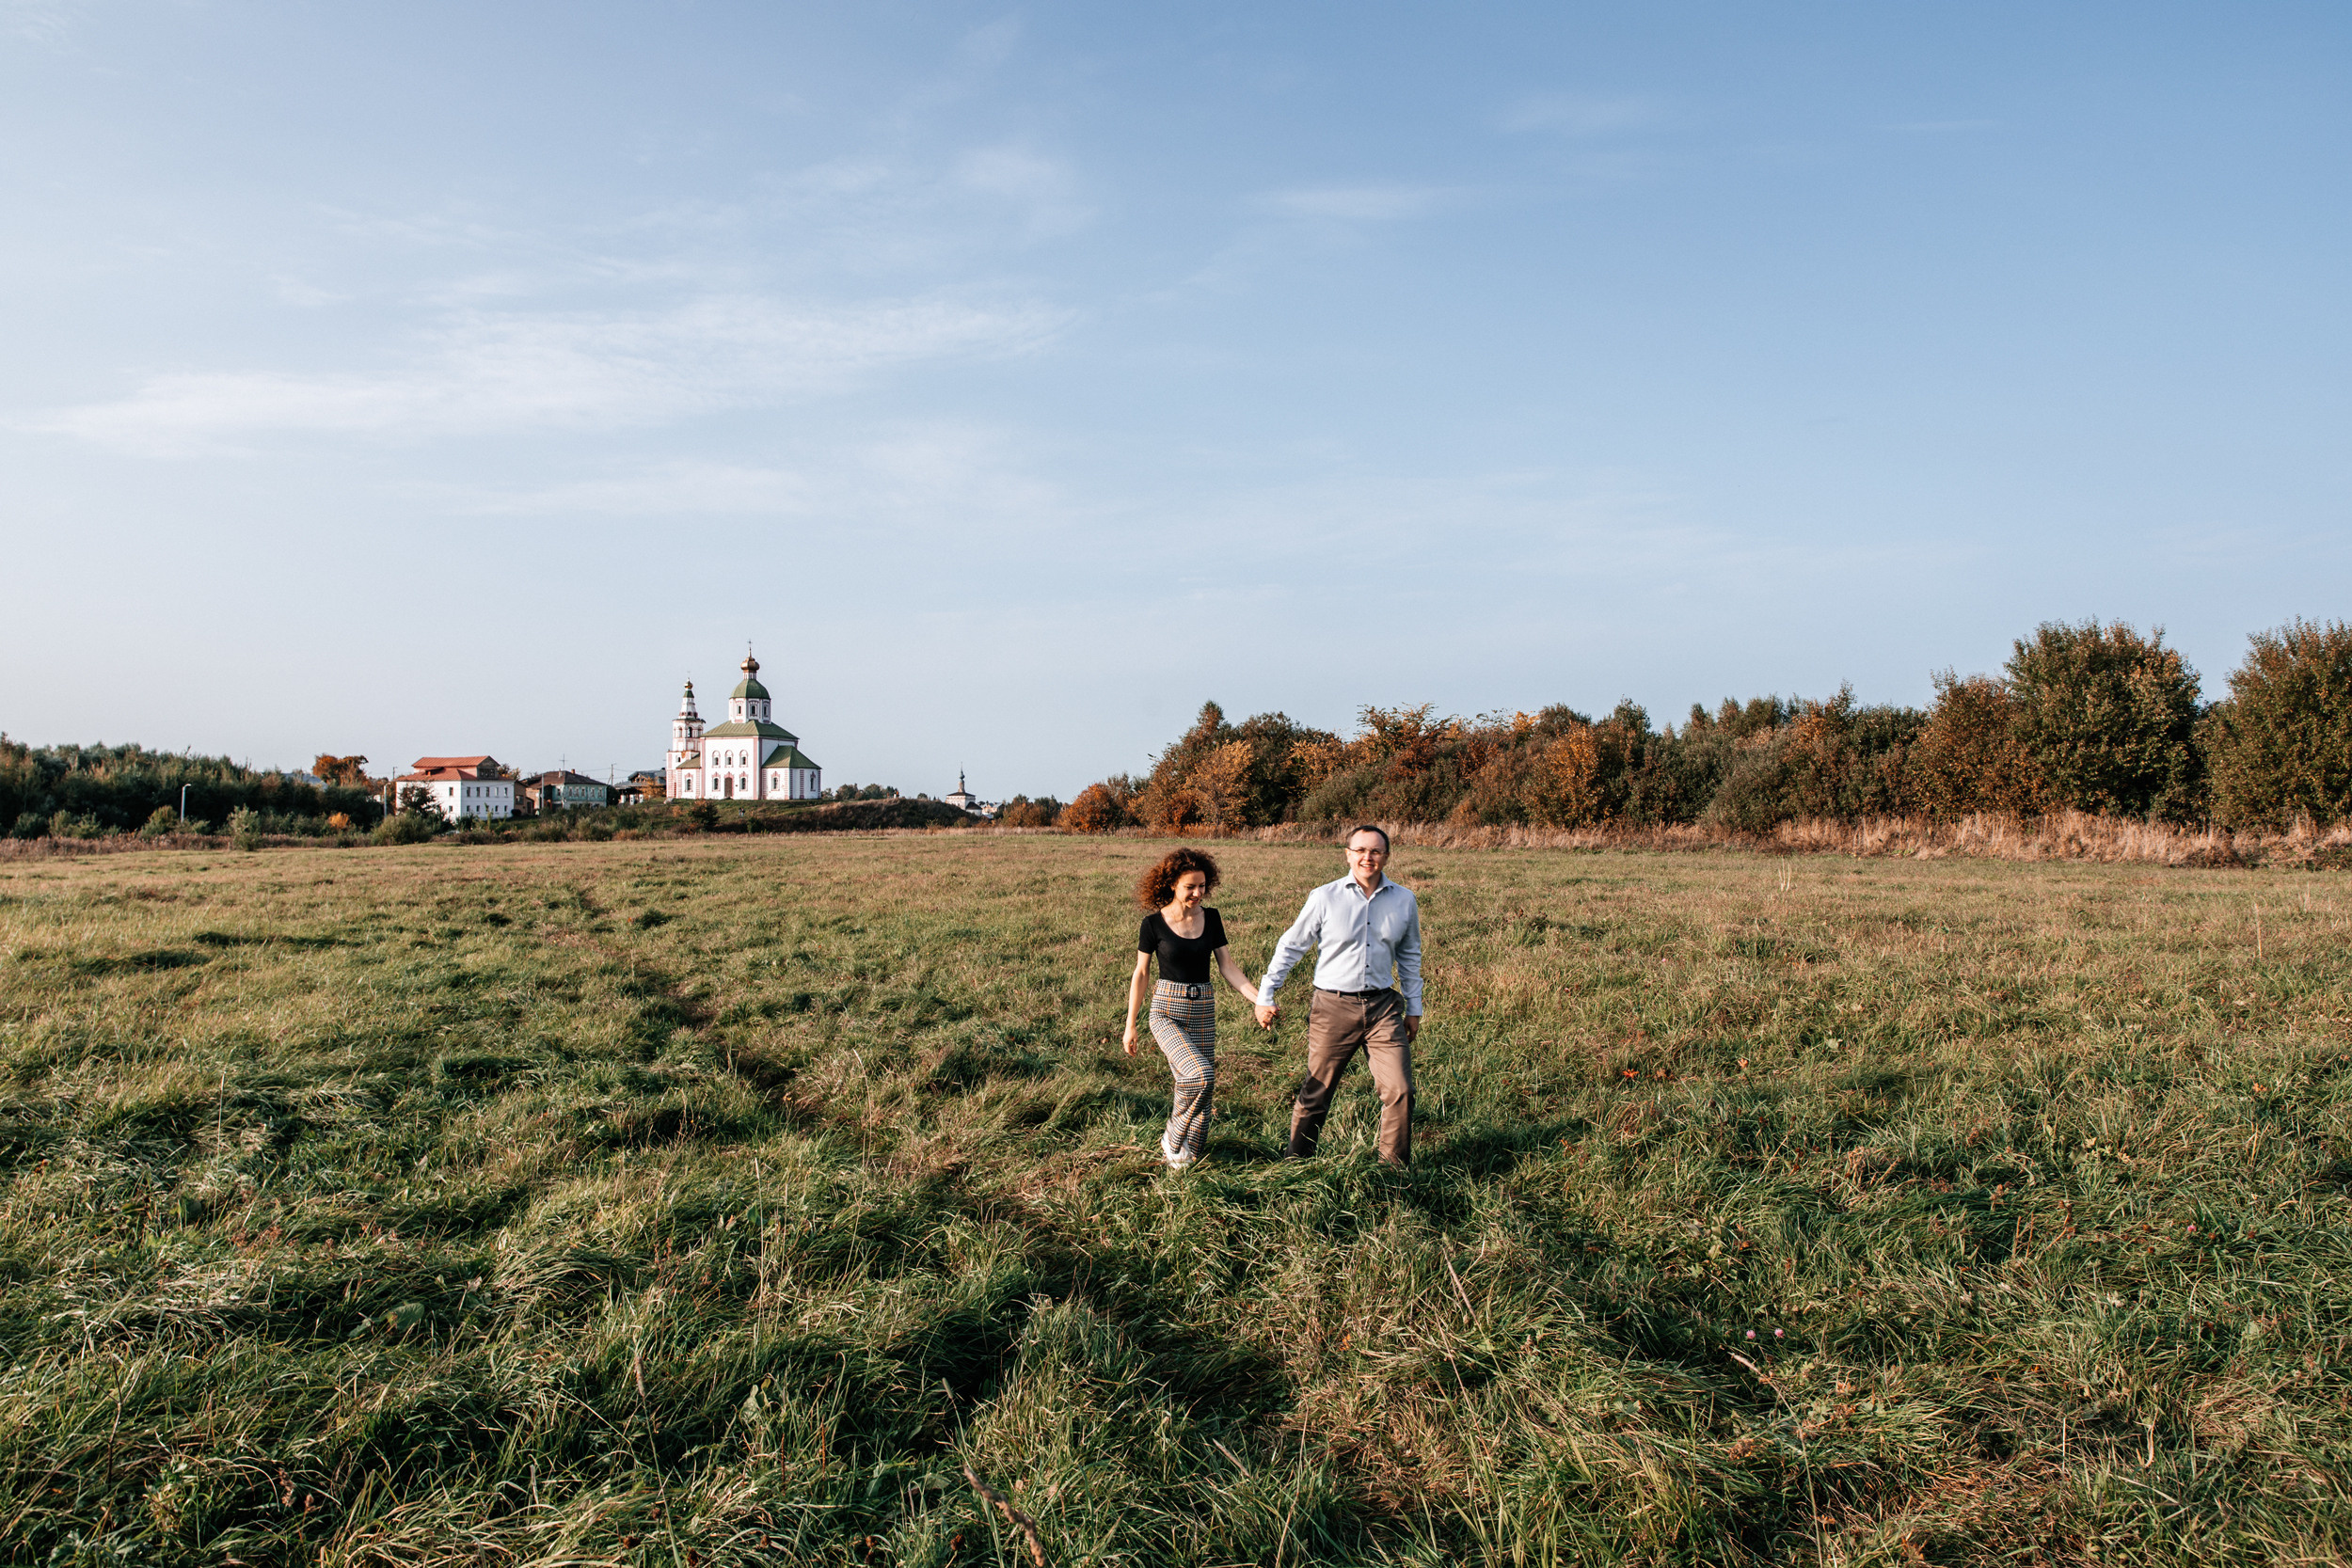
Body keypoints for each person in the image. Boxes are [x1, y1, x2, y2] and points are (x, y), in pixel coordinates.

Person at [1254, 824, 1423, 1165]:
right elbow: (1292, 946)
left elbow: (1409, 955)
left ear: (1386, 856)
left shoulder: (1404, 900)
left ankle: (1393, 1172)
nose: (1367, 857)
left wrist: (1414, 1007)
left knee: (1400, 1090)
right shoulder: (1325, 897)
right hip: (1333, 1006)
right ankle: (1296, 1164)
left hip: (1383, 1007)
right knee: (1317, 1092)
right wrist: (1266, 993)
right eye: (1360, 850)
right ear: (1348, 855)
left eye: (1375, 851)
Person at [1121, 847, 1266, 1169]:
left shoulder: (1211, 918)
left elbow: (1228, 967)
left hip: (1203, 1009)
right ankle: (1173, 1137)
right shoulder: (1153, 924)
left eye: (1202, 886)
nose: (1198, 893)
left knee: (1203, 1092)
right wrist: (1131, 1025)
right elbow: (1141, 974)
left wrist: (1260, 999)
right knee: (1200, 1075)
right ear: (1173, 884)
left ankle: (1189, 1160)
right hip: (1166, 1010)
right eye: (1190, 887)